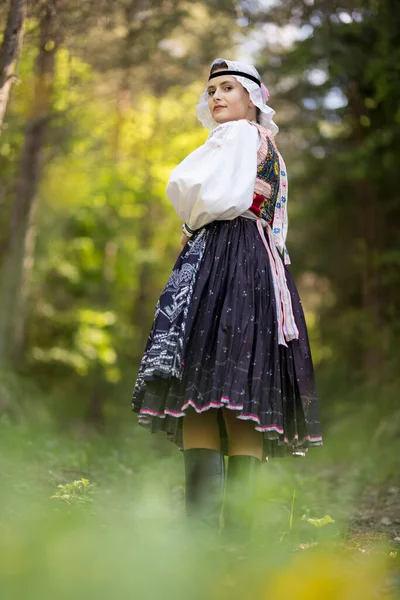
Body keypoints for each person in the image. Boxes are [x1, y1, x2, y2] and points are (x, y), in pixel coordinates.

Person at [132, 58, 322, 531]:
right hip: (258, 265)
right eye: (211, 89)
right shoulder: (266, 145)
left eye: (228, 88)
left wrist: (194, 219)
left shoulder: (238, 135)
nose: (216, 96)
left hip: (227, 260)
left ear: (252, 99)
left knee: (201, 385)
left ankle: (200, 534)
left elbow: (193, 191)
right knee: (241, 393)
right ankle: (238, 533)